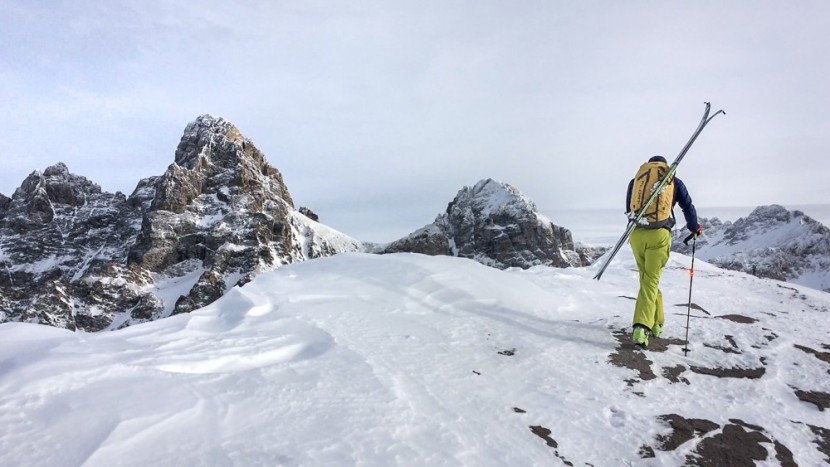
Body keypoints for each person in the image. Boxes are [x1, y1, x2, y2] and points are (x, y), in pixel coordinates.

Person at [625, 155, 702, 348]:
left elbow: (629, 209)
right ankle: (641, 327)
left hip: (636, 235)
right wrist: (694, 227)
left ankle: (657, 323)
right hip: (659, 235)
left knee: (648, 279)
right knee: (651, 281)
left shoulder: (636, 182)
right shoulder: (673, 181)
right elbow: (687, 206)